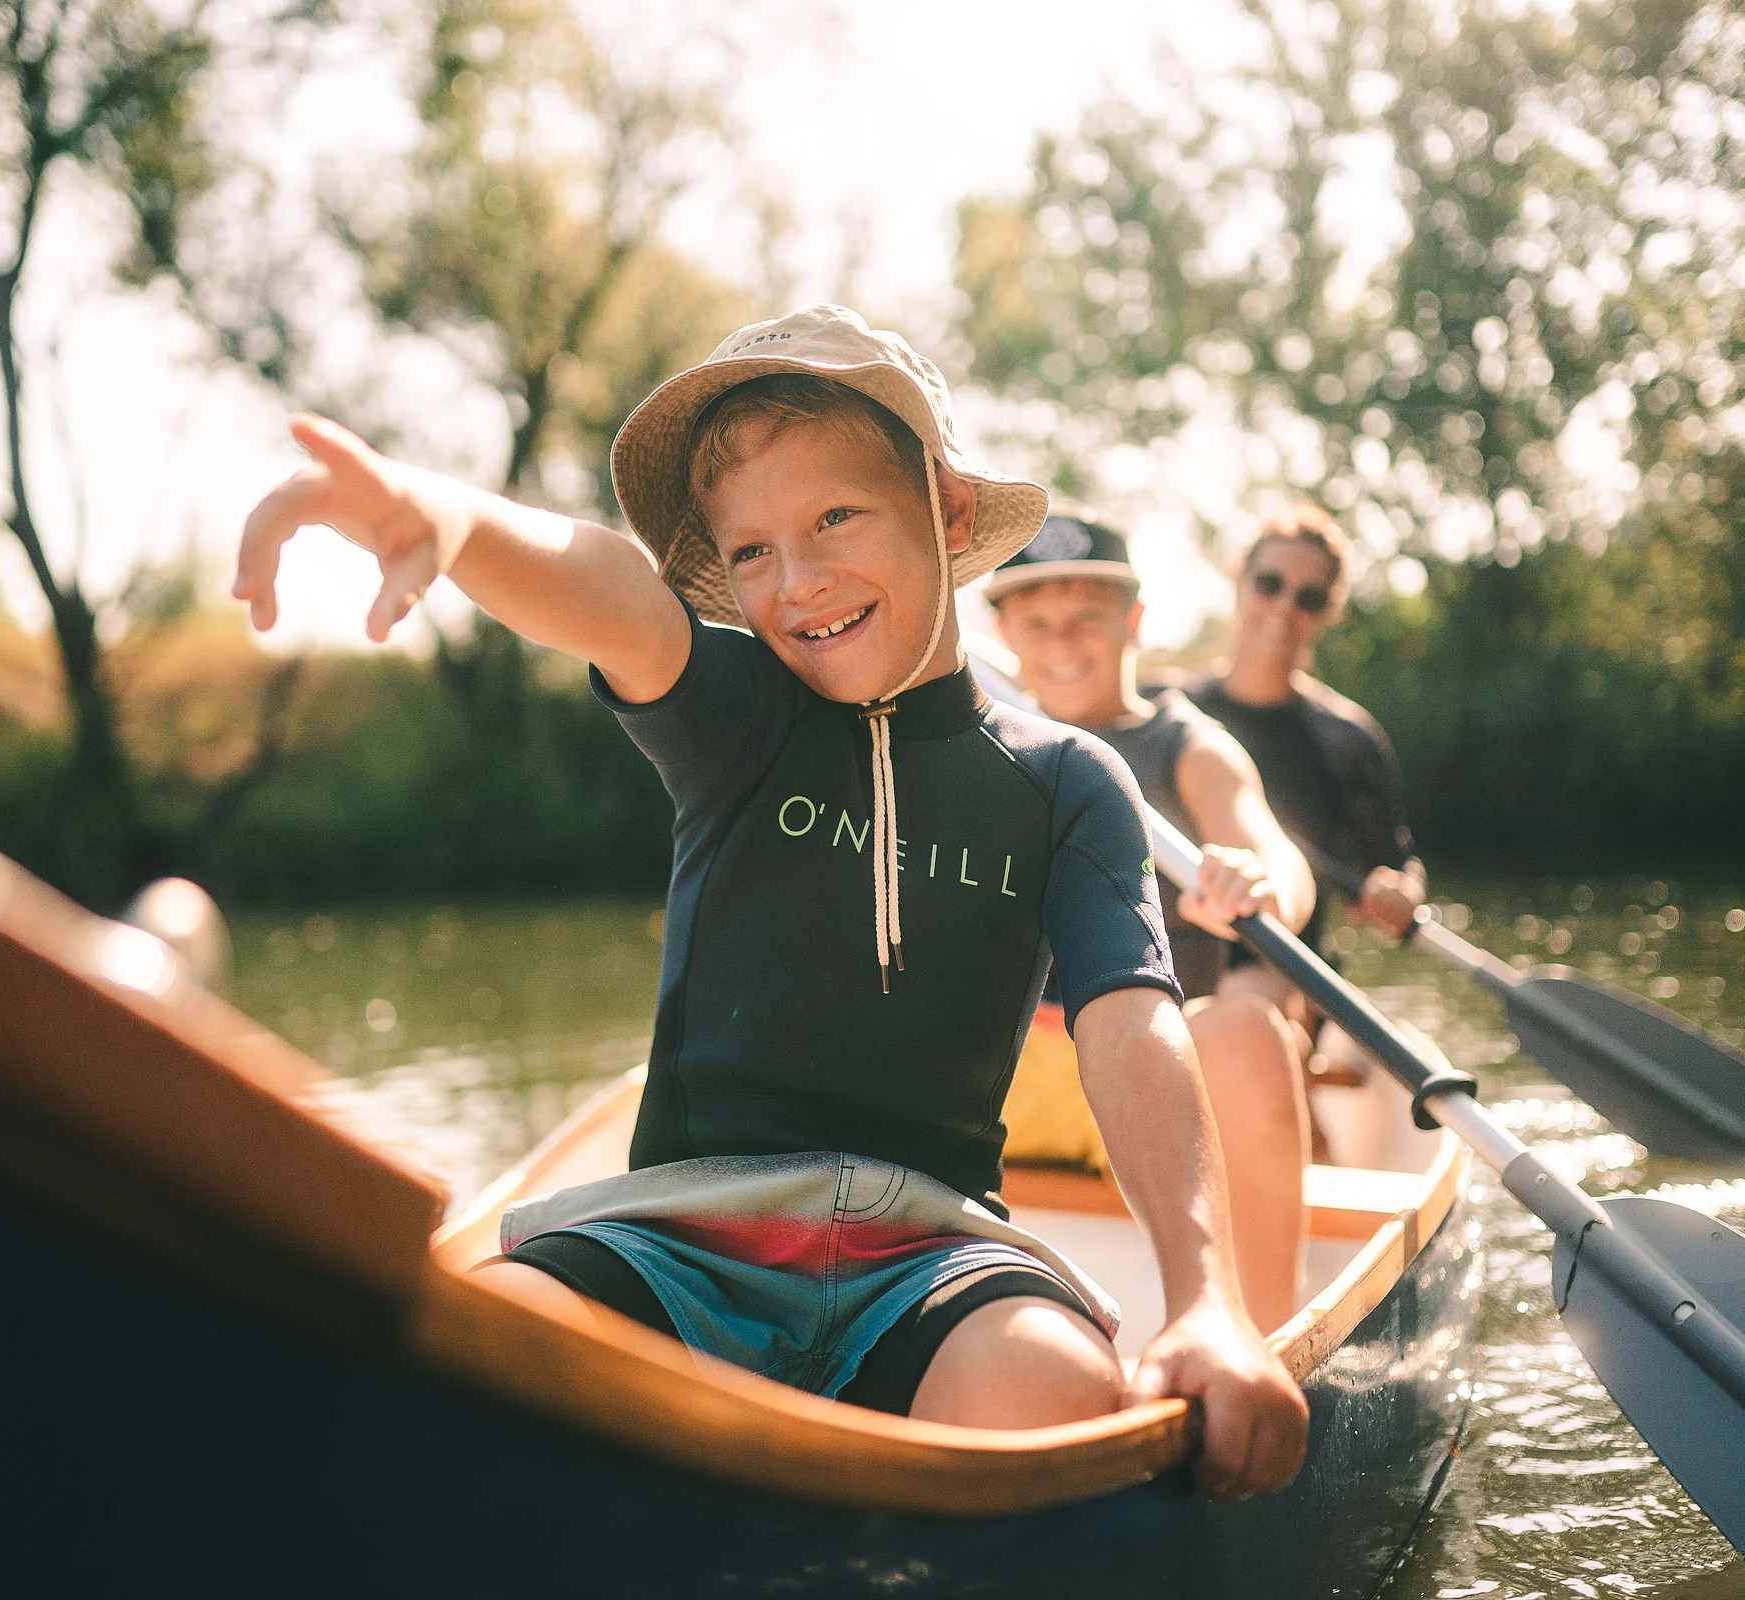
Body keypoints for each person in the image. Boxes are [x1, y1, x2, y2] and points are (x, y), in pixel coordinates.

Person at [232, 304, 1308, 1499]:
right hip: (681, 1231)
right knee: (481, 1354)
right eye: (748, 553)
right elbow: (615, 590)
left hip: (934, 1249)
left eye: (834, 517)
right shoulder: (740, 710)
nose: (797, 582)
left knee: (1049, 1394)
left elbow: (1132, 1027)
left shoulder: (1066, 782)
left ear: (949, 514)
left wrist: (1208, 1301)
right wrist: (450, 516)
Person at [986, 514, 1318, 1331]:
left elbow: (1278, 860)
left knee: (1246, 1029)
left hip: (1155, 1079)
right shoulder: (979, 741)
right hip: (1005, 1082)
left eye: (1085, 620)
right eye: (1037, 623)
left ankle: (1260, 1347)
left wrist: (1258, 883)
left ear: (1132, 622)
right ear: (1002, 634)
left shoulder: (1188, 748)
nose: (1061, 642)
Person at [1188, 503, 1426, 952]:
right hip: (1165, 960)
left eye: (1309, 597)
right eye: (1270, 584)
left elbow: (1397, 865)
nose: (1284, 607)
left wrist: (1401, 893)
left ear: (1327, 611)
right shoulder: (1168, 709)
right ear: (1239, 582)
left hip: (1287, 969)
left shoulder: (1348, 738)